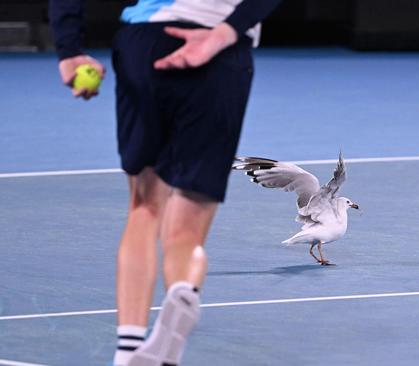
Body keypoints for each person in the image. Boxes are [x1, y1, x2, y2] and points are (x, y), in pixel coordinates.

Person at [48, 0, 282, 364]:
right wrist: (224, 32)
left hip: (145, 43)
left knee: (144, 206)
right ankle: (183, 292)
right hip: (220, 52)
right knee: (187, 228)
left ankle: (128, 350)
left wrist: (69, 49)